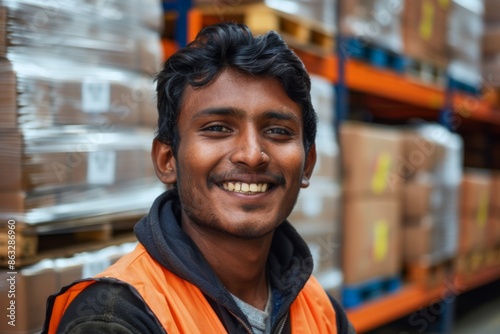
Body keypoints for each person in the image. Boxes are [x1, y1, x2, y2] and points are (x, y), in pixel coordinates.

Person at [43, 22, 355, 334]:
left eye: (278, 131)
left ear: (307, 164)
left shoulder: (320, 309)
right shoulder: (114, 319)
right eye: (218, 128)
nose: (251, 154)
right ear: (167, 160)